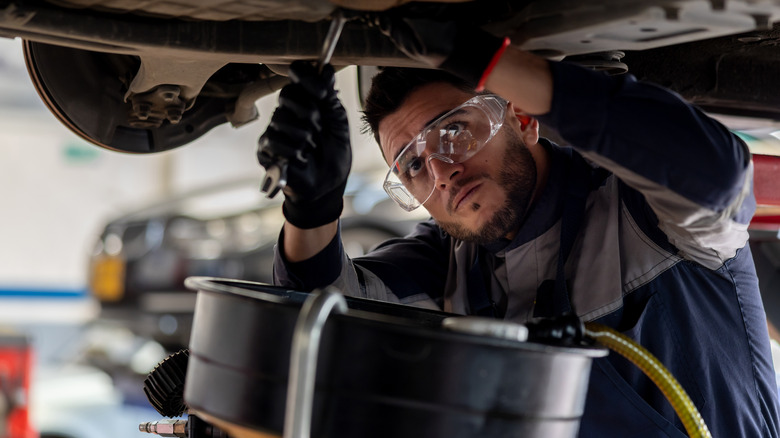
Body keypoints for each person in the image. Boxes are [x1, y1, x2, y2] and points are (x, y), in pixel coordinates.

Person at [257, 17, 780, 437]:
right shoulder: (447, 269)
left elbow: (717, 174)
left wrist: (484, 57)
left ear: (523, 120)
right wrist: (313, 207)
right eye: (413, 165)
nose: (441, 173)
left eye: (453, 132)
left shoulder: (644, 211)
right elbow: (323, 324)